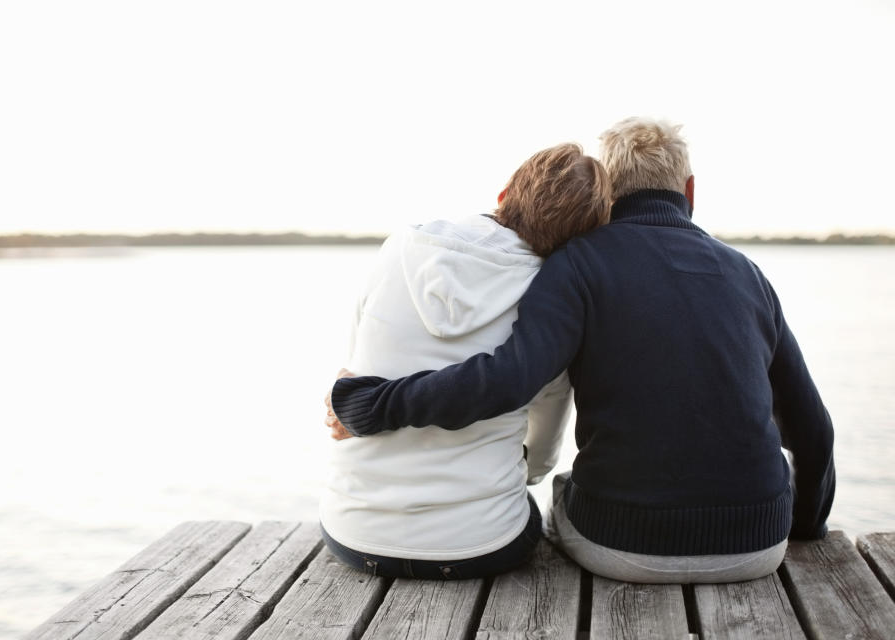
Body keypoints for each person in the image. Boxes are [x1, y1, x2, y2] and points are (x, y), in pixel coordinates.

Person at [328, 117, 836, 583]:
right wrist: (807, 525)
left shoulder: (575, 266)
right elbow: (812, 429)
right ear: (690, 190)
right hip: (760, 545)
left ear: (607, 197)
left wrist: (371, 403)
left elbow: (509, 379)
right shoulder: (748, 275)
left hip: (621, 545)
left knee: (565, 489)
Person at [319, 143, 611, 579]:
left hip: (354, 532)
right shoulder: (551, 305)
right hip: (481, 544)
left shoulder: (401, 247)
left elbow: (353, 371)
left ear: (505, 192)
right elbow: (542, 457)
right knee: (531, 505)